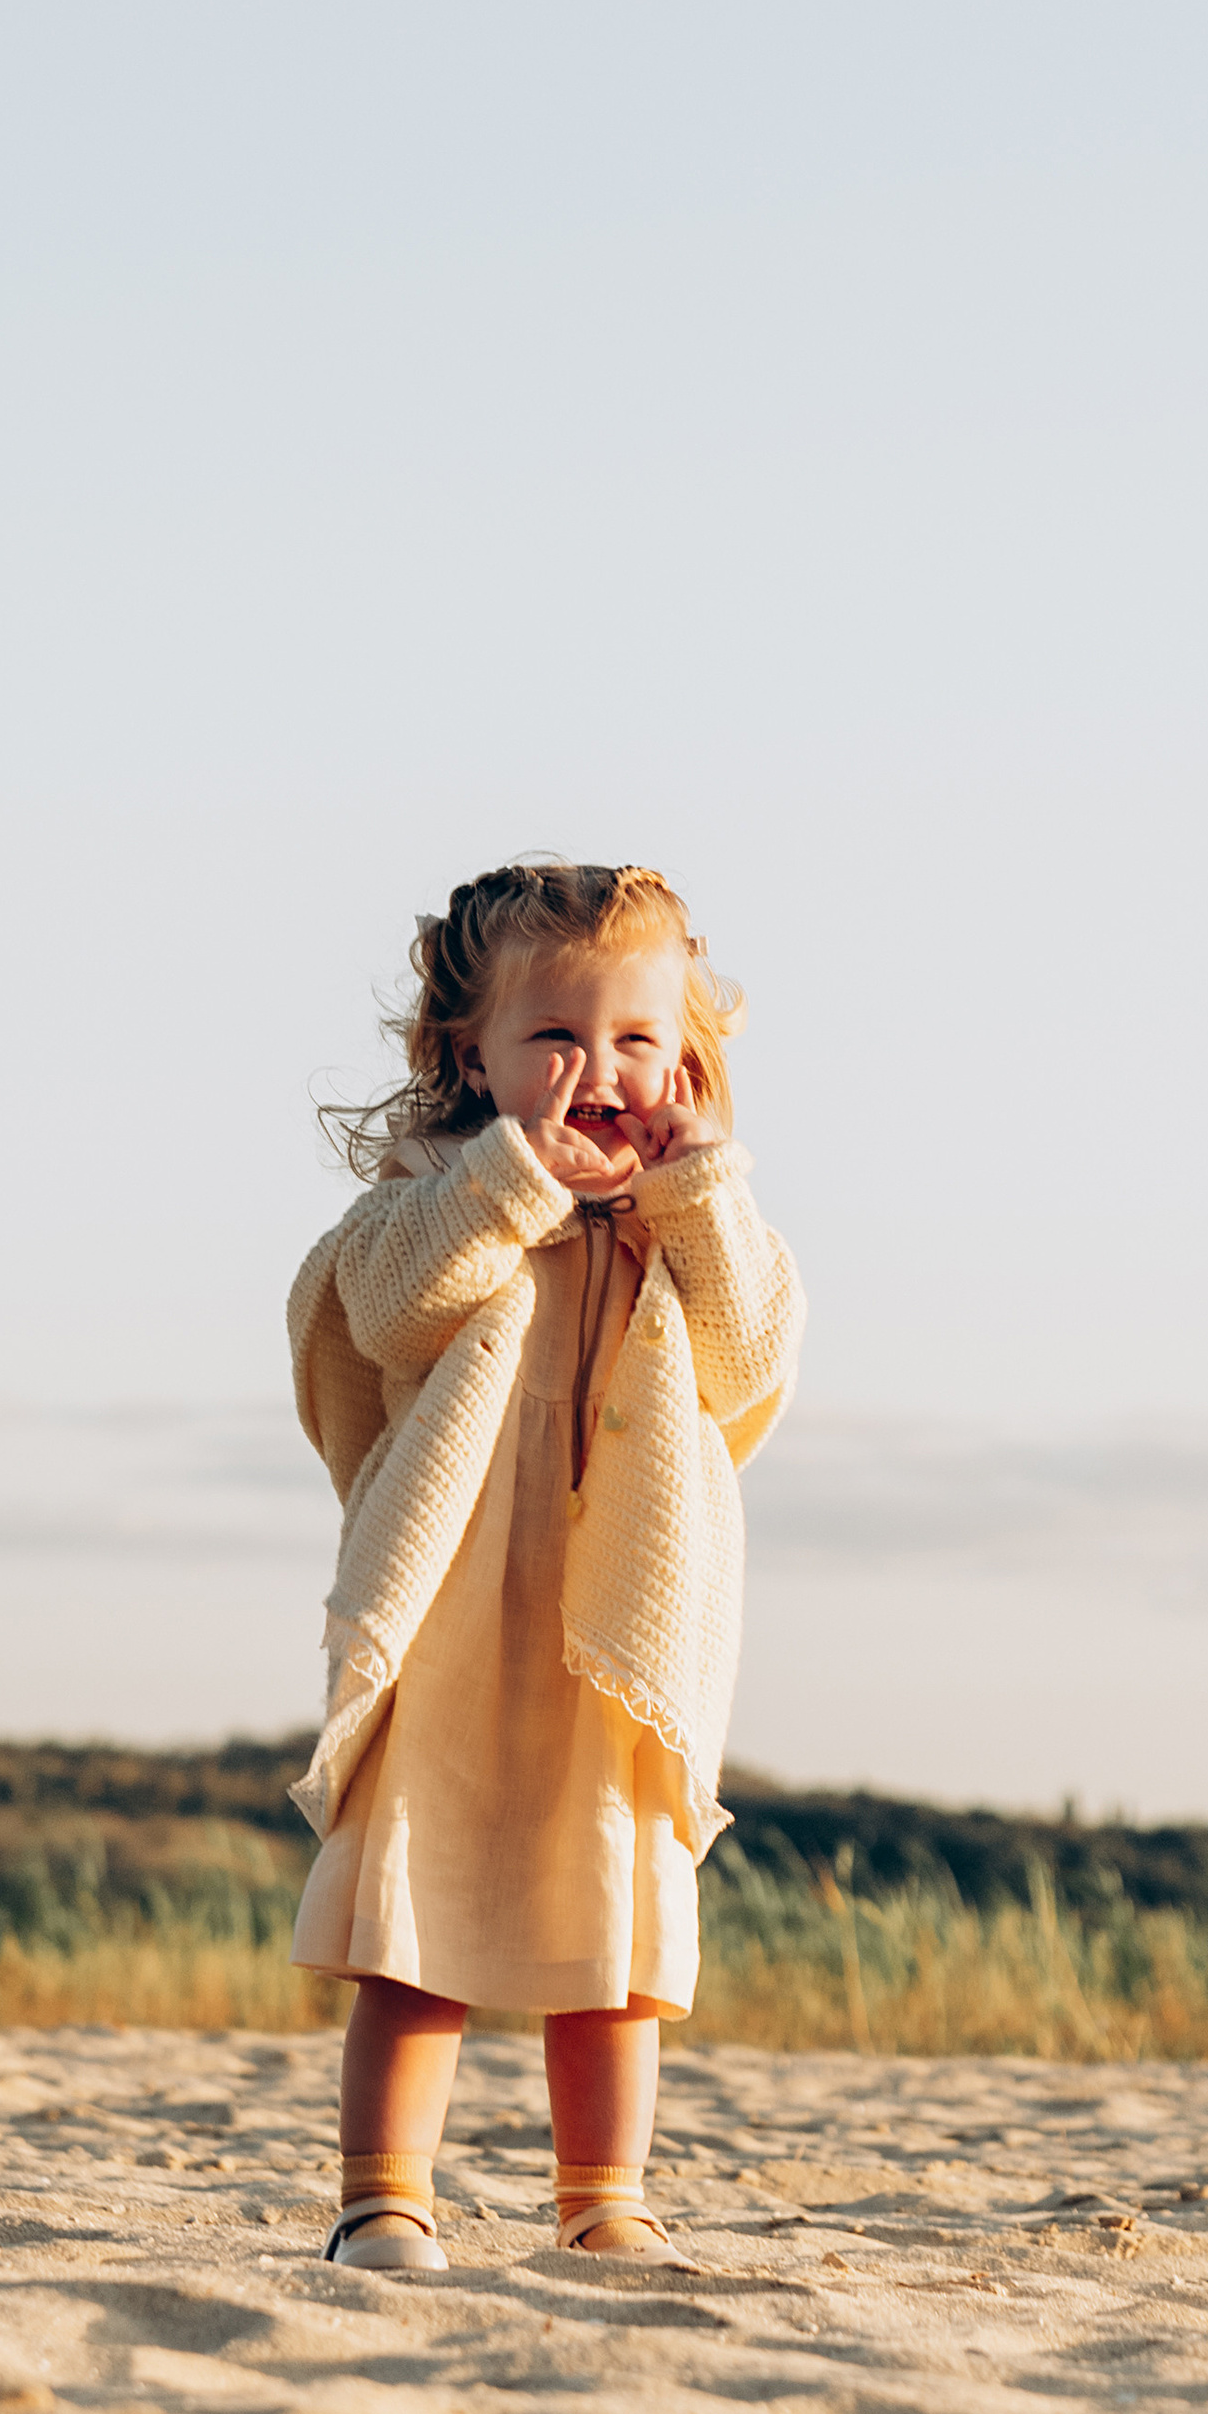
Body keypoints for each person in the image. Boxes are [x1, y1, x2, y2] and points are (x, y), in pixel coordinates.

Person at [286, 860, 805, 2271]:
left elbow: (755, 1356)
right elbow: (391, 1312)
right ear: (474, 1052)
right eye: (558, 1038)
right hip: (457, 1616)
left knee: (613, 1933)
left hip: (615, 1627)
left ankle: (604, 2195)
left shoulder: (693, 1216)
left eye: (638, 1039)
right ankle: (384, 2192)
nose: (601, 1069)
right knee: (417, 1919)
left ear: (685, 1054)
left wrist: (698, 1190)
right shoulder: (437, 1197)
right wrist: (515, 1181)